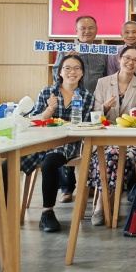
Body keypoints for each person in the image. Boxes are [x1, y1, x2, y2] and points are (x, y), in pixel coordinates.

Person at [0, 55, 94, 231]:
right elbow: (34, 121)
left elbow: (84, 124)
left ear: (82, 73)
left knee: (50, 163)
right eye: (67, 68)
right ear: (60, 72)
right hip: (41, 140)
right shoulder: (47, 92)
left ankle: (47, 213)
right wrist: (49, 110)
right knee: (6, 165)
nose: (72, 72)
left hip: (68, 143)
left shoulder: (87, 96)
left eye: (77, 68)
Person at [87, 46, 136, 226]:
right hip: (105, 137)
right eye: (127, 58)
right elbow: (94, 116)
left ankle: (102, 204)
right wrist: (105, 107)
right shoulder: (103, 82)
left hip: (131, 139)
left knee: (120, 155)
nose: (130, 62)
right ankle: (104, 201)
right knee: (108, 154)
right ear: (119, 59)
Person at [52, 15, 107, 203]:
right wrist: (68, 60)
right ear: (76, 31)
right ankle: (66, 188)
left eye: (91, 28)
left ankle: (90, 184)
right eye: (83, 28)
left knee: (93, 143)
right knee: (66, 141)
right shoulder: (66, 51)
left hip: (94, 104)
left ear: (96, 30)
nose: (87, 31)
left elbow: (108, 78)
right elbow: (55, 75)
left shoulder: (103, 52)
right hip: (70, 103)